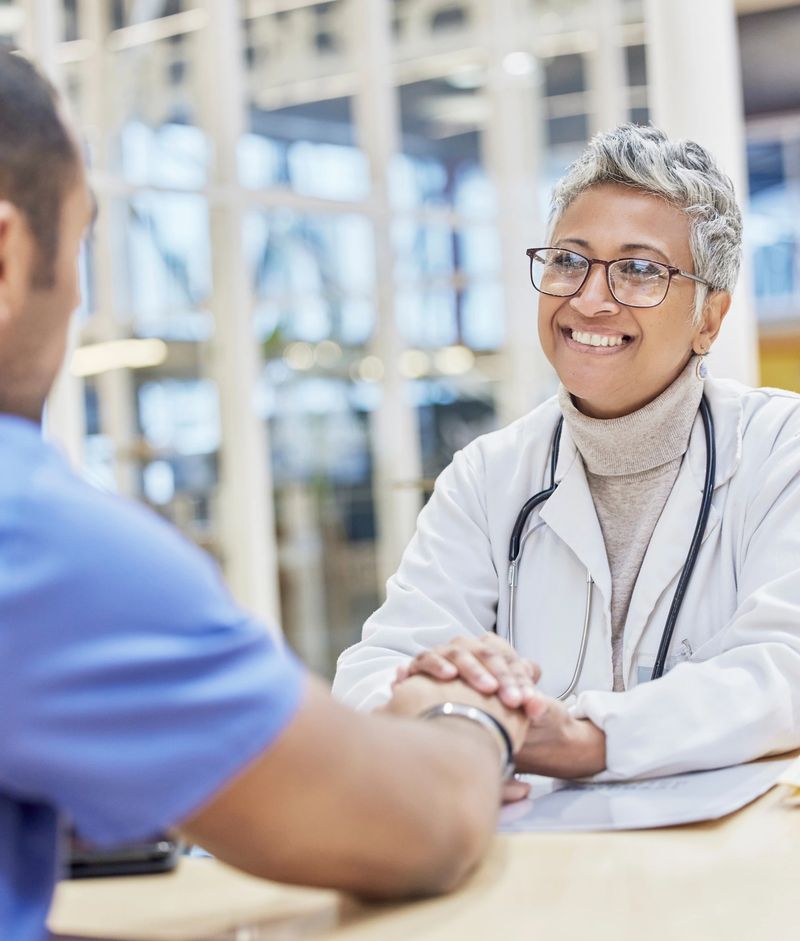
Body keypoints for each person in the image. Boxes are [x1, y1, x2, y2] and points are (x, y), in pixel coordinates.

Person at [0, 51, 533, 941]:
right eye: (84, 237)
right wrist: (471, 715)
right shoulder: (41, 545)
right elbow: (423, 823)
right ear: (9, 256)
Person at [334, 123, 800, 782]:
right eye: (568, 260)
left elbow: (785, 666)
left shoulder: (783, 451)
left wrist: (585, 738)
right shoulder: (489, 474)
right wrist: (455, 720)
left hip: (725, 854)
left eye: (638, 269)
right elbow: (381, 668)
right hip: (529, 852)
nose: (588, 298)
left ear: (709, 318)